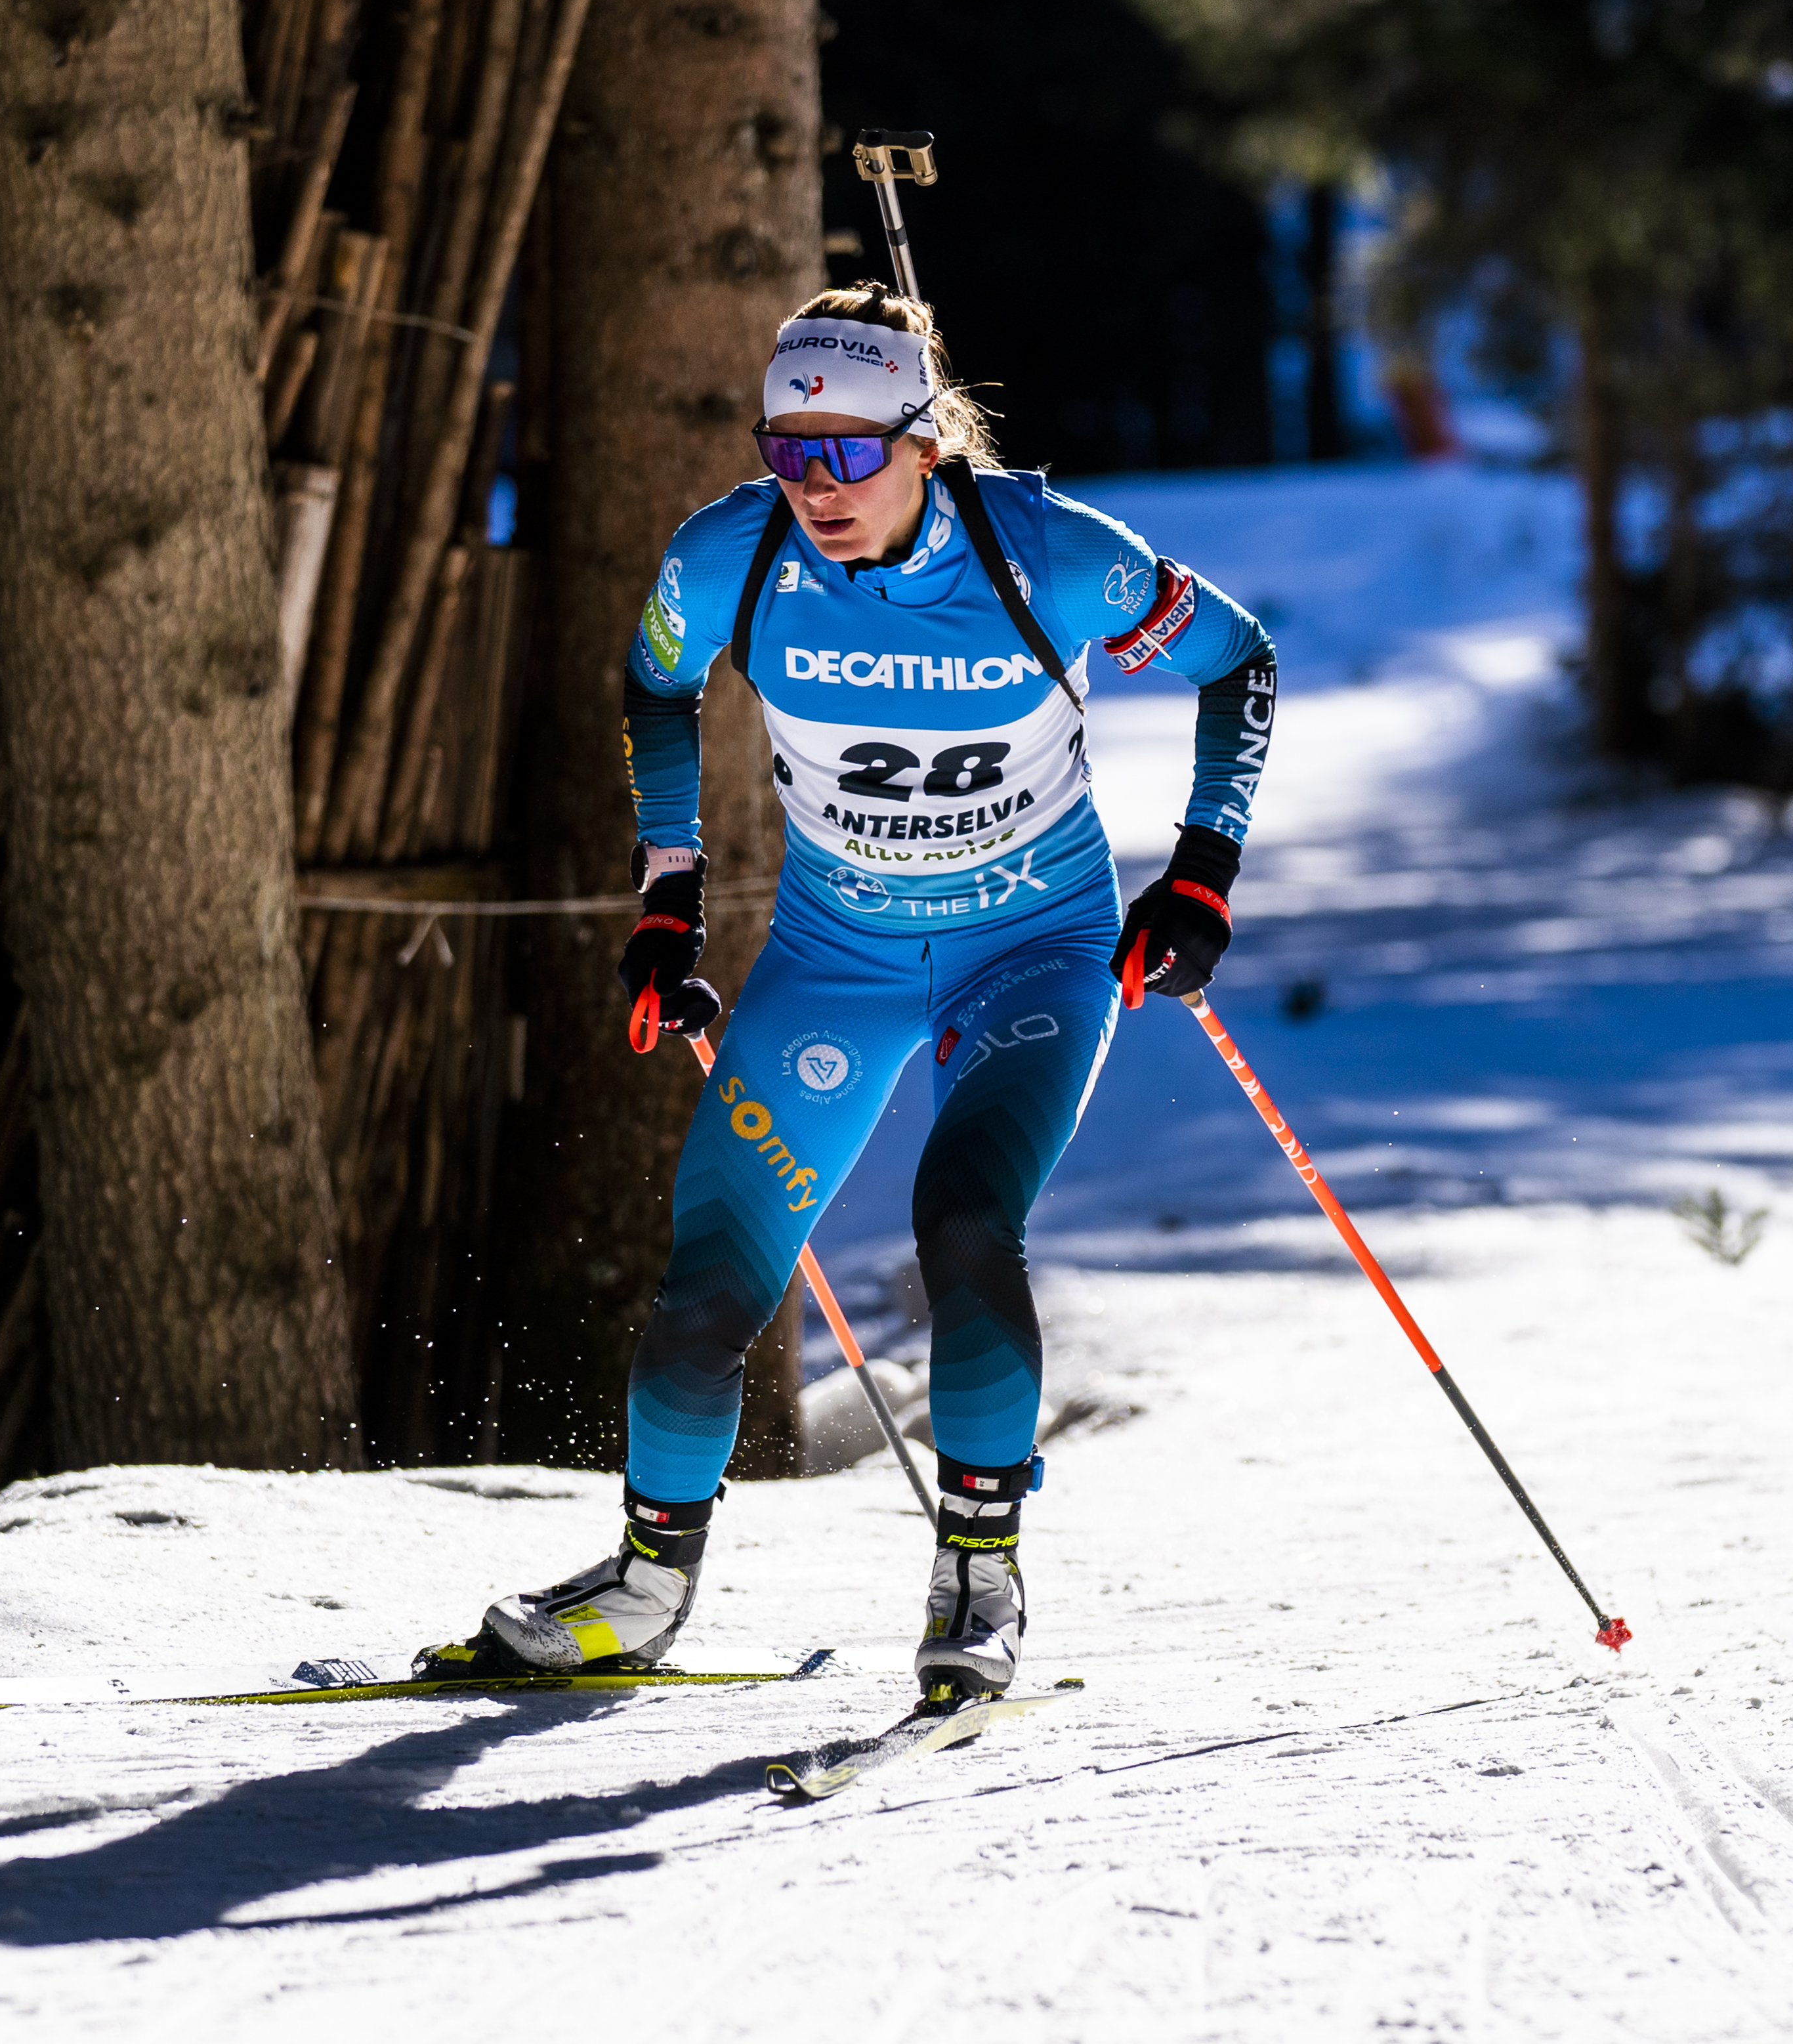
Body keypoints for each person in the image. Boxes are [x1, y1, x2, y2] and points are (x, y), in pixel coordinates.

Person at [434, 284, 1276, 1702]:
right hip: (839, 955)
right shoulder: (728, 557)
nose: (813, 486)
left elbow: (1236, 662)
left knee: (959, 1218)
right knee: (709, 1279)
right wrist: (666, 894)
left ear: (923, 439)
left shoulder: (1050, 555)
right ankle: (644, 1586)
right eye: (784, 449)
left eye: (846, 451)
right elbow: (653, 684)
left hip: (1033, 950)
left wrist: (1199, 870)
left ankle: (977, 1573)